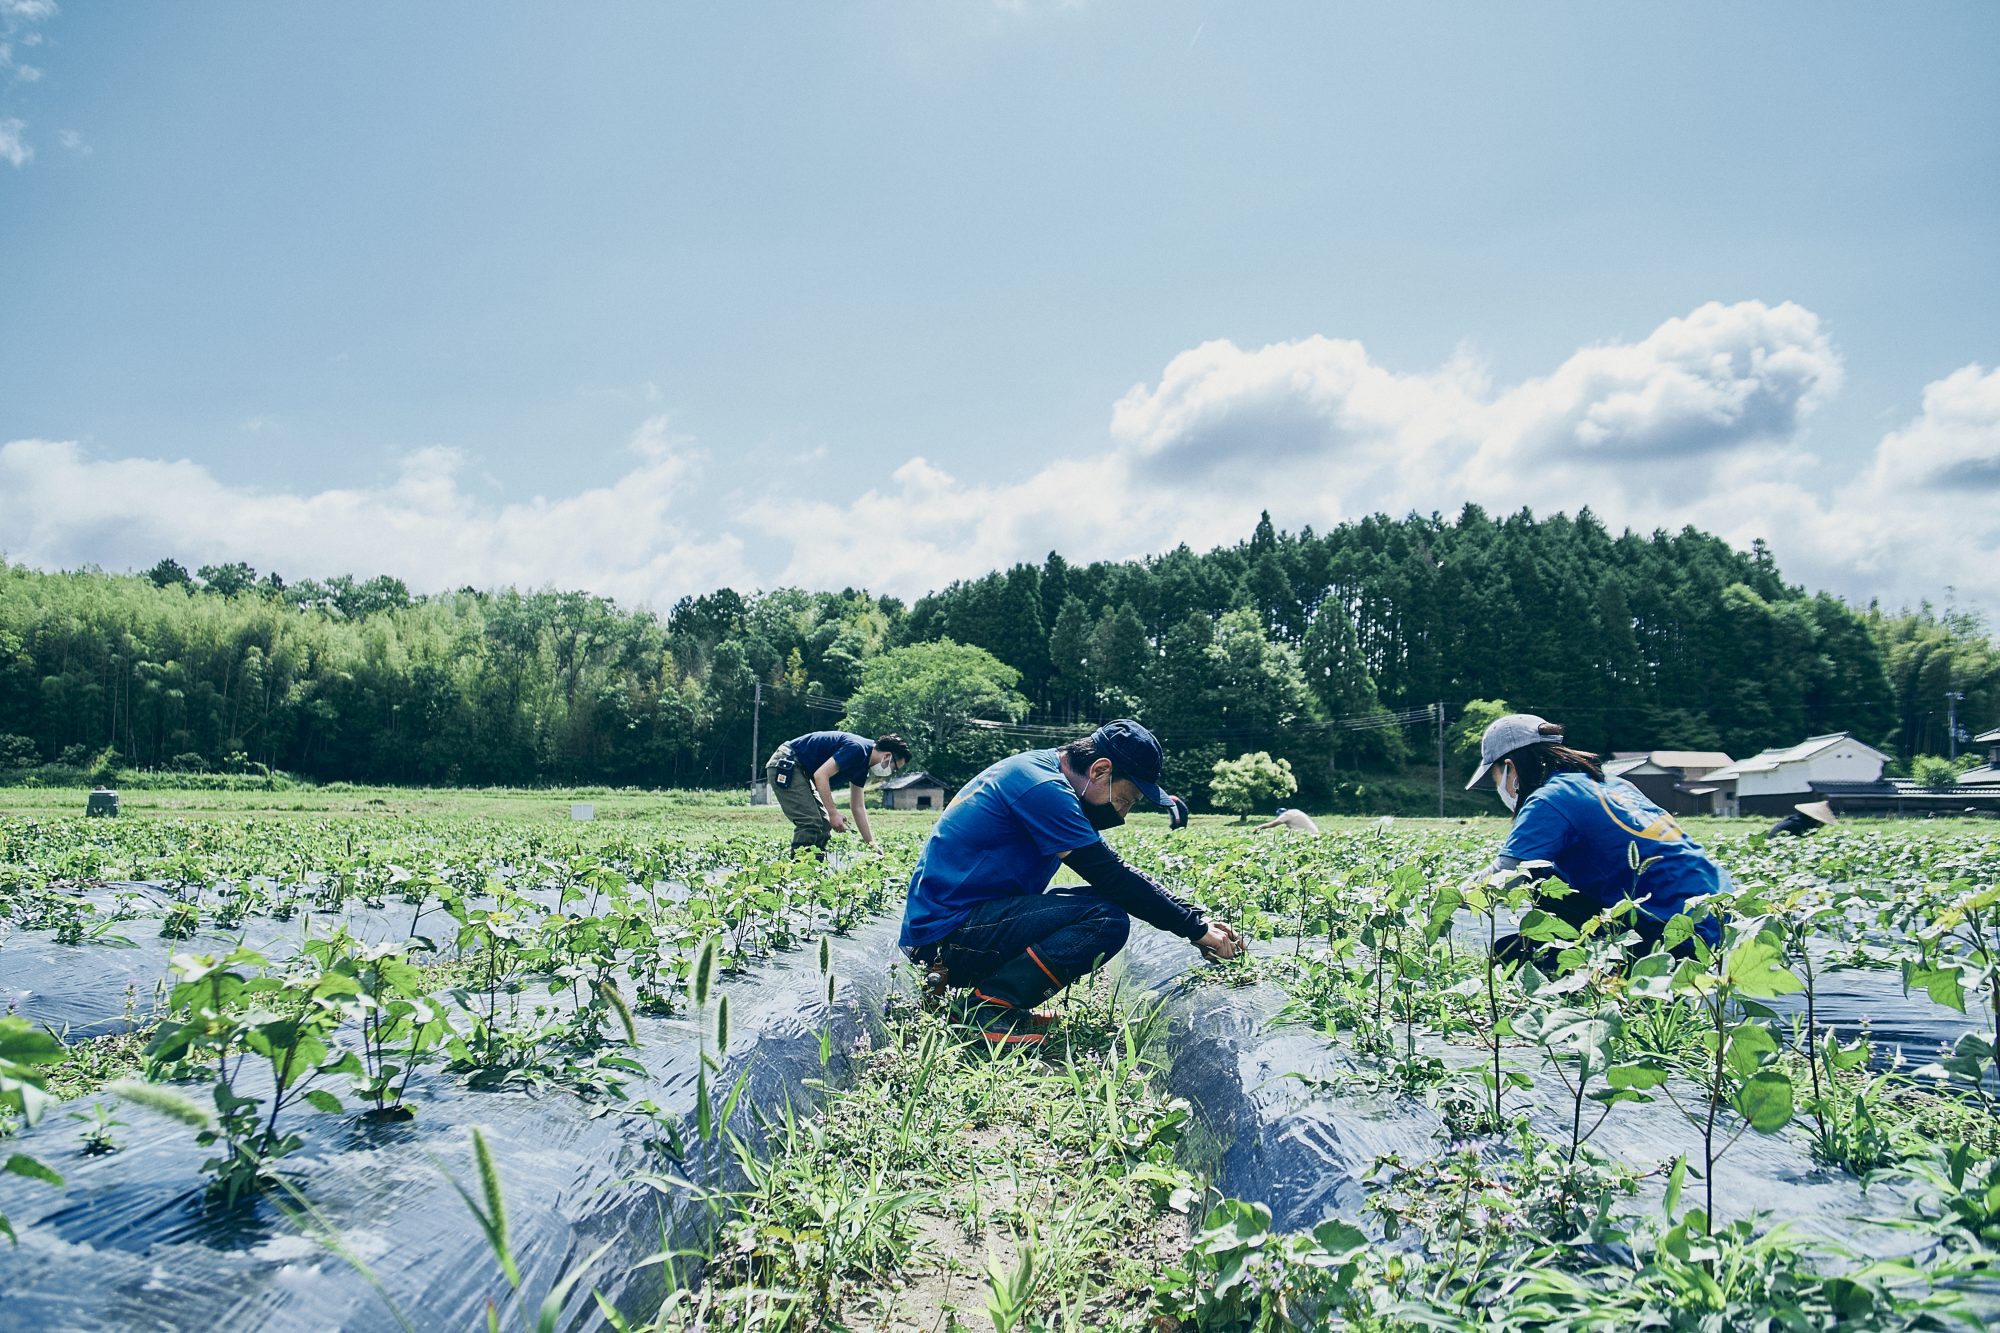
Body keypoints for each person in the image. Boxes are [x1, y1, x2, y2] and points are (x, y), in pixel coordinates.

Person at [899, 719, 1244, 1046]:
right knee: (1104, 918)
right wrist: (1195, 930)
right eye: (1125, 799)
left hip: (960, 928)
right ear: (1100, 770)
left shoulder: (1042, 774)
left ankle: (1000, 1000)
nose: (1121, 814)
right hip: (946, 940)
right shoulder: (1042, 787)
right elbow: (1111, 876)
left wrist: (1196, 917)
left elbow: (1118, 871)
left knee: (1091, 903)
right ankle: (987, 1009)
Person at [1465, 713, 1727, 962]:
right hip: (1719, 917)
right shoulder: (1613, 784)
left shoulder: (1550, 798)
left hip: (1674, 933)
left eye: (1496, 776)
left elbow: (1507, 876)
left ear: (1510, 768)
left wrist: (1451, 893)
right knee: (1552, 878)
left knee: (1512, 952)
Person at [766, 730, 911, 851]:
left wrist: (872, 845)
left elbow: (858, 807)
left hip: (800, 769)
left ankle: (813, 875)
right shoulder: (858, 749)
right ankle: (798, 875)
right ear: (887, 756)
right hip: (787, 762)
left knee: (823, 825)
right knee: (810, 822)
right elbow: (821, 775)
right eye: (894, 768)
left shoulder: (862, 766)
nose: (891, 772)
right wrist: (833, 813)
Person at [1768, 800, 1837, 838]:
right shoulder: (1796, 824)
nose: (1821, 826)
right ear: (1814, 819)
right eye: (1821, 823)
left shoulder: (1800, 820)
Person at [1253, 807, 1320, 835]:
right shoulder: (1294, 812)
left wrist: (1260, 827)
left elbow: (1273, 824)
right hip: (1314, 832)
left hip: (1309, 835)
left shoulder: (1287, 814)